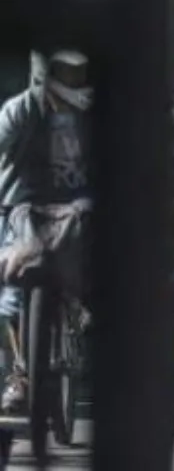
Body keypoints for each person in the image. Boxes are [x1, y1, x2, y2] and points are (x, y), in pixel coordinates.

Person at [0, 50, 90, 412]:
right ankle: (20, 374)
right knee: (9, 295)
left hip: (81, 206)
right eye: (68, 73)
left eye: (81, 72)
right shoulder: (20, 111)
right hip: (23, 208)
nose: (76, 81)